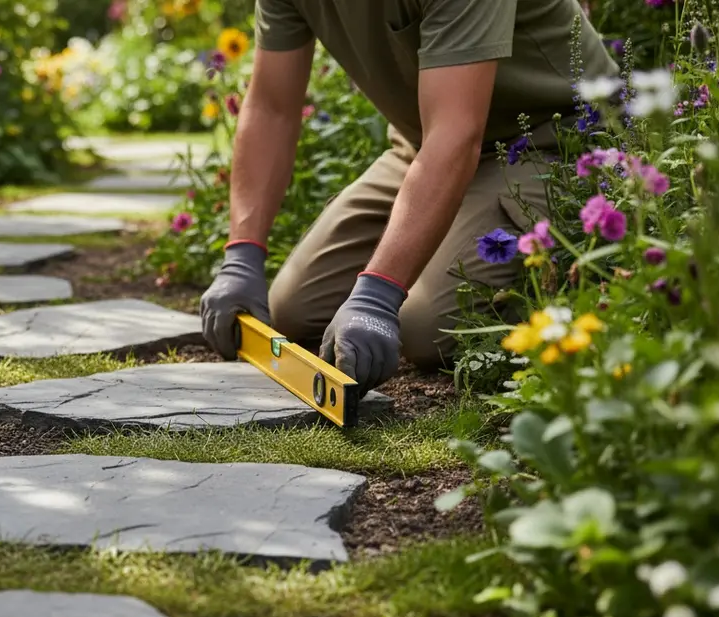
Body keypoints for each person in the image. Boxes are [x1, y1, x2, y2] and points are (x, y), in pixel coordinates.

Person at [199, 0, 619, 397]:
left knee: (425, 327)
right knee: (297, 310)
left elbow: (457, 134)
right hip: (421, 147)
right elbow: (272, 106)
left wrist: (379, 293)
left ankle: (595, 283)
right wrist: (242, 254)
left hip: (551, 142)